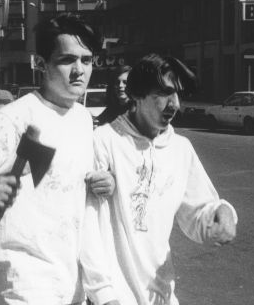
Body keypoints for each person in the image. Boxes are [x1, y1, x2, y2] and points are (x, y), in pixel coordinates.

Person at [0, 13, 115, 305]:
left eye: (87, 60)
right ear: (42, 64)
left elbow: (79, 197)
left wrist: (104, 181)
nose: (79, 70)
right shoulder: (17, 118)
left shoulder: (83, 119)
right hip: (25, 284)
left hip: (71, 285)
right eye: (67, 60)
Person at [81, 54, 238, 305]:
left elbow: (198, 215)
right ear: (137, 95)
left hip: (161, 294)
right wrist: (103, 294)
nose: (174, 104)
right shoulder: (105, 141)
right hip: (114, 297)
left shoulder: (180, 149)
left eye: (177, 94)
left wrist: (223, 215)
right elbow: (88, 225)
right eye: (163, 94)